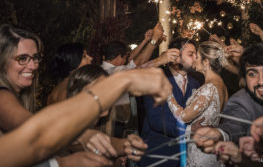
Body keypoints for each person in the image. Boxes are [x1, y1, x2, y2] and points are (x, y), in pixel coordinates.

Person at [0, 67, 172, 167]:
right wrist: (123, 80)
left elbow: (102, 141)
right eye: (99, 93)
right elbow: (38, 140)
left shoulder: (102, 124)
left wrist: (127, 144)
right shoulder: (61, 123)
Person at [0, 24, 110, 166]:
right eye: (22, 58)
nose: (33, 66)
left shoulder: (19, 96)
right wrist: (78, 136)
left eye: (35, 58)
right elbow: (30, 127)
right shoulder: (2, 95)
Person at [193, 43, 263, 150]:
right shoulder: (241, 102)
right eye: (252, 74)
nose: (261, 81)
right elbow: (234, 125)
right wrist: (219, 134)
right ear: (245, 79)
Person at [139, 37, 202, 167]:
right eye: (191, 54)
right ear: (176, 57)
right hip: (159, 151)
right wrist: (188, 130)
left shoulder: (196, 83)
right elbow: (156, 119)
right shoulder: (157, 78)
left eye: (196, 54)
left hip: (187, 154)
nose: (196, 57)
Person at [167, 41, 228, 166]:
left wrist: (168, 96)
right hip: (211, 148)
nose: (195, 59)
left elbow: (183, 117)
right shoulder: (222, 85)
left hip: (200, 151)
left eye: (198, 56)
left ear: (206, 62)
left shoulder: (209, 88)